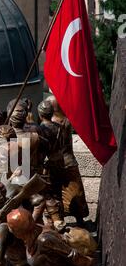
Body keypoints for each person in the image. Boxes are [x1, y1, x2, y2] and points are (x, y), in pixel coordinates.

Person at [46, 94, 89, 225]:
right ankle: (80, 219)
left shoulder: (50, 124)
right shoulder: (67, 120)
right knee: (76, 192)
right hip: (70, 161)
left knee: (56, 194)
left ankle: (59, 220)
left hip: (56, 163)